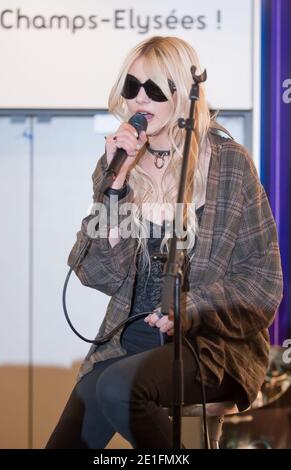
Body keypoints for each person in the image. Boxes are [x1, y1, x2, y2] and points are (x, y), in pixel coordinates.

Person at [45, 36, 283, 449]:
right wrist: (115, 187)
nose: (140, 99)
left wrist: (188, 308)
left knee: (118, 387)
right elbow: (94, 270)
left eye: (154, 89)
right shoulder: (117, 164)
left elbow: (263, 283)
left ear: (183, 95)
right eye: (131, 86)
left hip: (208, 344)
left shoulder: (228, 164)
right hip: (127, 341)